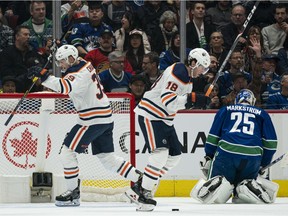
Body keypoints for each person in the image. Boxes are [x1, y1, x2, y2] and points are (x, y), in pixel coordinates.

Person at [30, 44, 141, 207]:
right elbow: (70, 74)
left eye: (62, 61)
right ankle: (140, 179)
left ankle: (73, 193)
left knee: (66, 153)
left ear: (70, 58)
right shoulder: (84, 64)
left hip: (92, 119)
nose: (60, 65)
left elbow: (64, 87)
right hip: (104, 117)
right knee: (107, 158)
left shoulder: (79, 72)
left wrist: (44, 75)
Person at [125, 48, 211, 211]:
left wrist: (196, 101)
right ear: (193, 63)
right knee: (160, 154)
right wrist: (193, 99)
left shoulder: (187, 77)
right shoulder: (178, 73)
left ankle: (141, 185)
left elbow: (179, 103)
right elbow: (168, 101)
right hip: (151, 115)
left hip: (165, 119)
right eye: (202, 67)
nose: (203, 72)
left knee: (174, 156)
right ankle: (144, 192)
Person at [192, 89, 278, 204]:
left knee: (216, 198)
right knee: (240, 198)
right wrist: (264, 163)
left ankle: (219, 182)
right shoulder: (262, 114)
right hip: (252, 156)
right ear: (252, 101)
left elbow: (213, 137)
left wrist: (209, 156)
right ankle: (247, 186)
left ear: (237, 100)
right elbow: (271, 144)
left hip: (227, 152)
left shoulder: (225, 110)